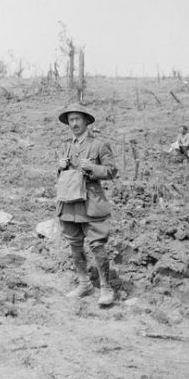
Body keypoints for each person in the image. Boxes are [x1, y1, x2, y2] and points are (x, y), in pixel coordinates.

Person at [56, 102, 118, 306]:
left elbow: (111, 171)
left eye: (77, 120)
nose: (73, 124)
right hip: (70, 202)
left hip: (91, 201)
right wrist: (60, 167)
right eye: (70, 120)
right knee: (74, 244)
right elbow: (62, 175)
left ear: (85, 122)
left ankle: (106, 287)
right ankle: (84, 283)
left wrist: (93, 168)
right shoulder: (66, 145)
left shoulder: (98, 145)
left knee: (97, 245)